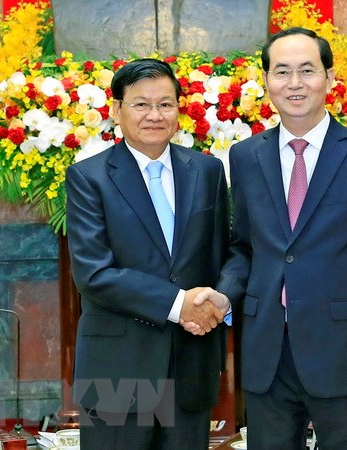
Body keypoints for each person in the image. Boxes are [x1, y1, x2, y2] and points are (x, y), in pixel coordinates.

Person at [190, 27, 347, 449]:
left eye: (307, 71)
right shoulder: (247, 156)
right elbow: (246, 248)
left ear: (328, 77)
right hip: (267, 353)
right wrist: (224, 295)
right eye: (282, 72)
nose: (294, 83)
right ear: (266, 81)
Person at [65, 58, 230, 450]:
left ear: (179, 109)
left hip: (192, 365)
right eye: (141, 104)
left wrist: (221, 299)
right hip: (117, 372)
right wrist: (179, 304)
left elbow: (226, 252)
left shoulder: (206, 171)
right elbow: (93, 273)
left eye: (165, 104)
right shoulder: (89, 177)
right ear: (117, 110)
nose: (155, 115)